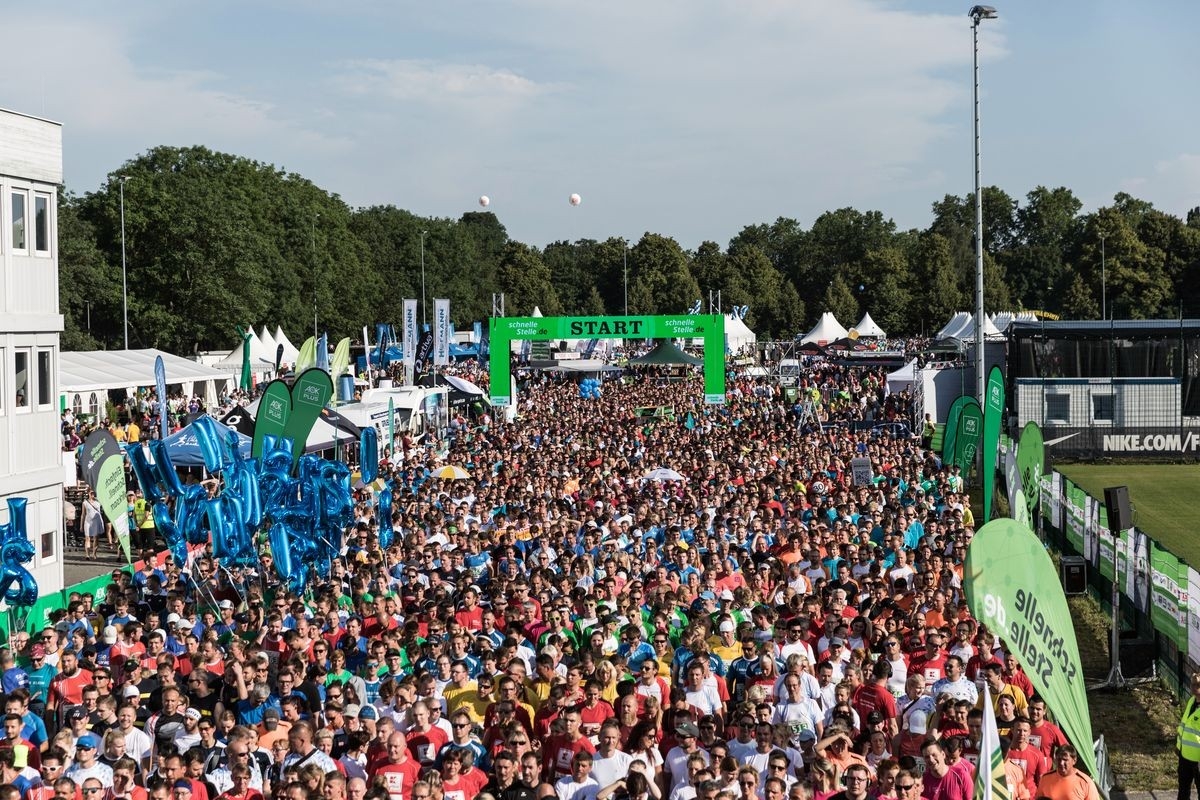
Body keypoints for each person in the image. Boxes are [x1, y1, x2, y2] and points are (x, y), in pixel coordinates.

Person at [1179, 672, 1200, 800]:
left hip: (1198, 759)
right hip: (1184, 755)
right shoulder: (1192, 701)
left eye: (1198, 685)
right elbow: (1184, 726)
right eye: (1192, 684)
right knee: (1183, 790)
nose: (1193, 687)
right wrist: (1178, 747)